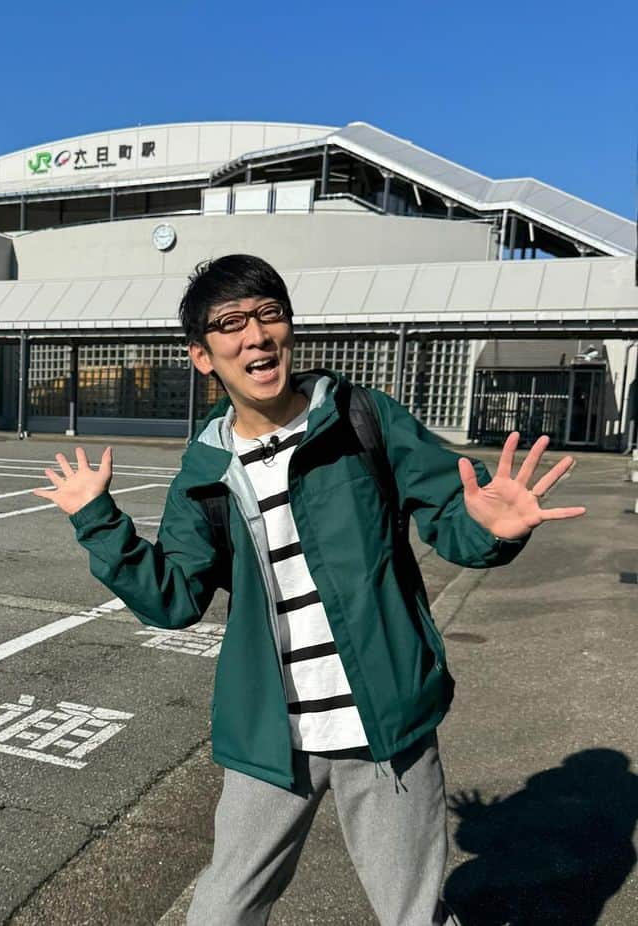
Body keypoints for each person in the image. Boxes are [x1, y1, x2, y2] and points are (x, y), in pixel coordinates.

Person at [33, 254, 585, 926]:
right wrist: (99, 522)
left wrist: (492, 528)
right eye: (231, 324)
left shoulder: (360, 419)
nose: (256, 336)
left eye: (269, 314)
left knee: (414, 917)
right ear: (203, 357)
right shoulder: (206, 468)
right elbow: (172, 599)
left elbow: (455, 523)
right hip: (272, 737)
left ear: (289, 328)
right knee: (219, 913)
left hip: (387, 728)